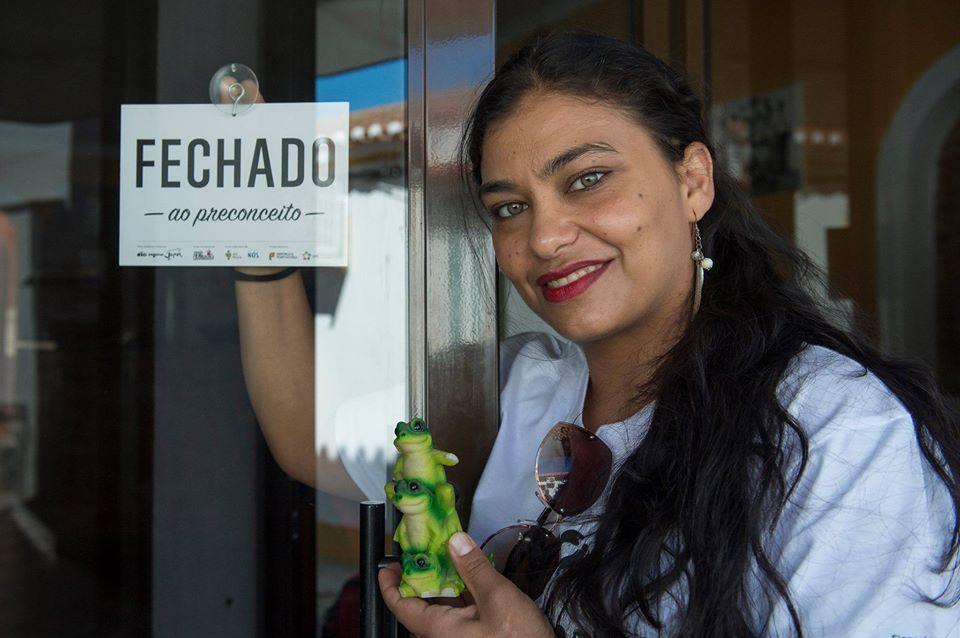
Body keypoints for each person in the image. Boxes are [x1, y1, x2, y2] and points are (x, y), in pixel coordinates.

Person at [238, 31, 960, 637]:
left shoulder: (833, 428)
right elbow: (311, 435)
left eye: (587, 180)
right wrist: (256, 236)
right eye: (509, 207)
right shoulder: (514, 389)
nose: (545, 237)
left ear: (693, 182)